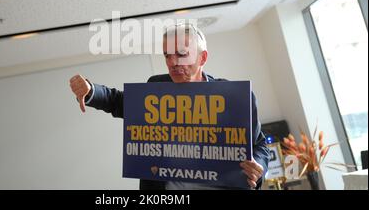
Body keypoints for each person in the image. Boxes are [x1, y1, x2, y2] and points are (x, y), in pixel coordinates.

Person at [69, 23, 270, 190]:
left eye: (181, 54)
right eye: (167, 55)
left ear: (203, 58)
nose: (172, 62)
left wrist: (258, 166)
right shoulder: (156, 86)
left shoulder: (235, 97)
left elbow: (260, 145)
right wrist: (91, 90)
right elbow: (118, 101)